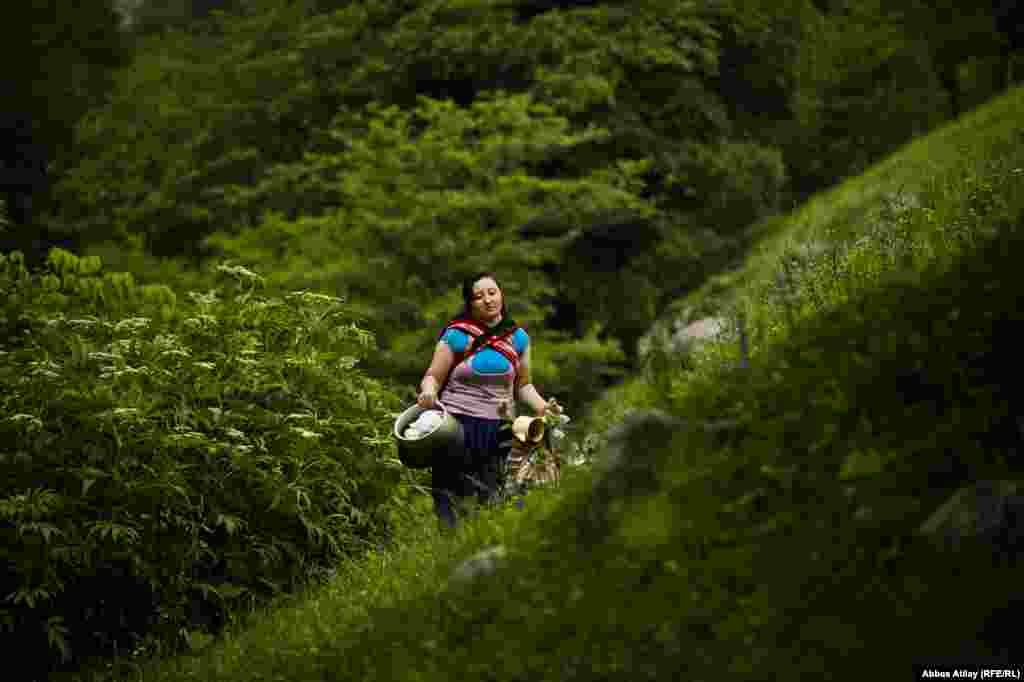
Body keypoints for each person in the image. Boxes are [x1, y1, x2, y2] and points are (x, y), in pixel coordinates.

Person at [417, 271, 562, 529]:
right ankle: (451, 551)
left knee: (495, 496)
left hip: (498, 427)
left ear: (501, 295)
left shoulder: (518, 338)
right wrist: (428, 391)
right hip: (456, 425)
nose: (487, 300)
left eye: (492, 293)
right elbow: (433, 377)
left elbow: (523, 385)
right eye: (478, 296)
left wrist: (544, 407)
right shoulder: (456, 335)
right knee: (453, 497)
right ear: (470, 303)